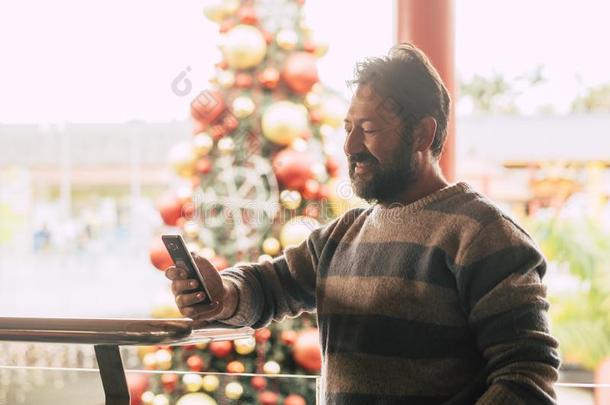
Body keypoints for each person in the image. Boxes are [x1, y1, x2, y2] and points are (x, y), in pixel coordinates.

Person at [166, 43, 560, 404]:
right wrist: (221, 294)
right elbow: (269, 286)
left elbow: (527, 376)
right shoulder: (342, 235)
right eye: (348, 127)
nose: (350, 146)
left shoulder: (483, 234)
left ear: (423, 134)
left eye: (368, 130)